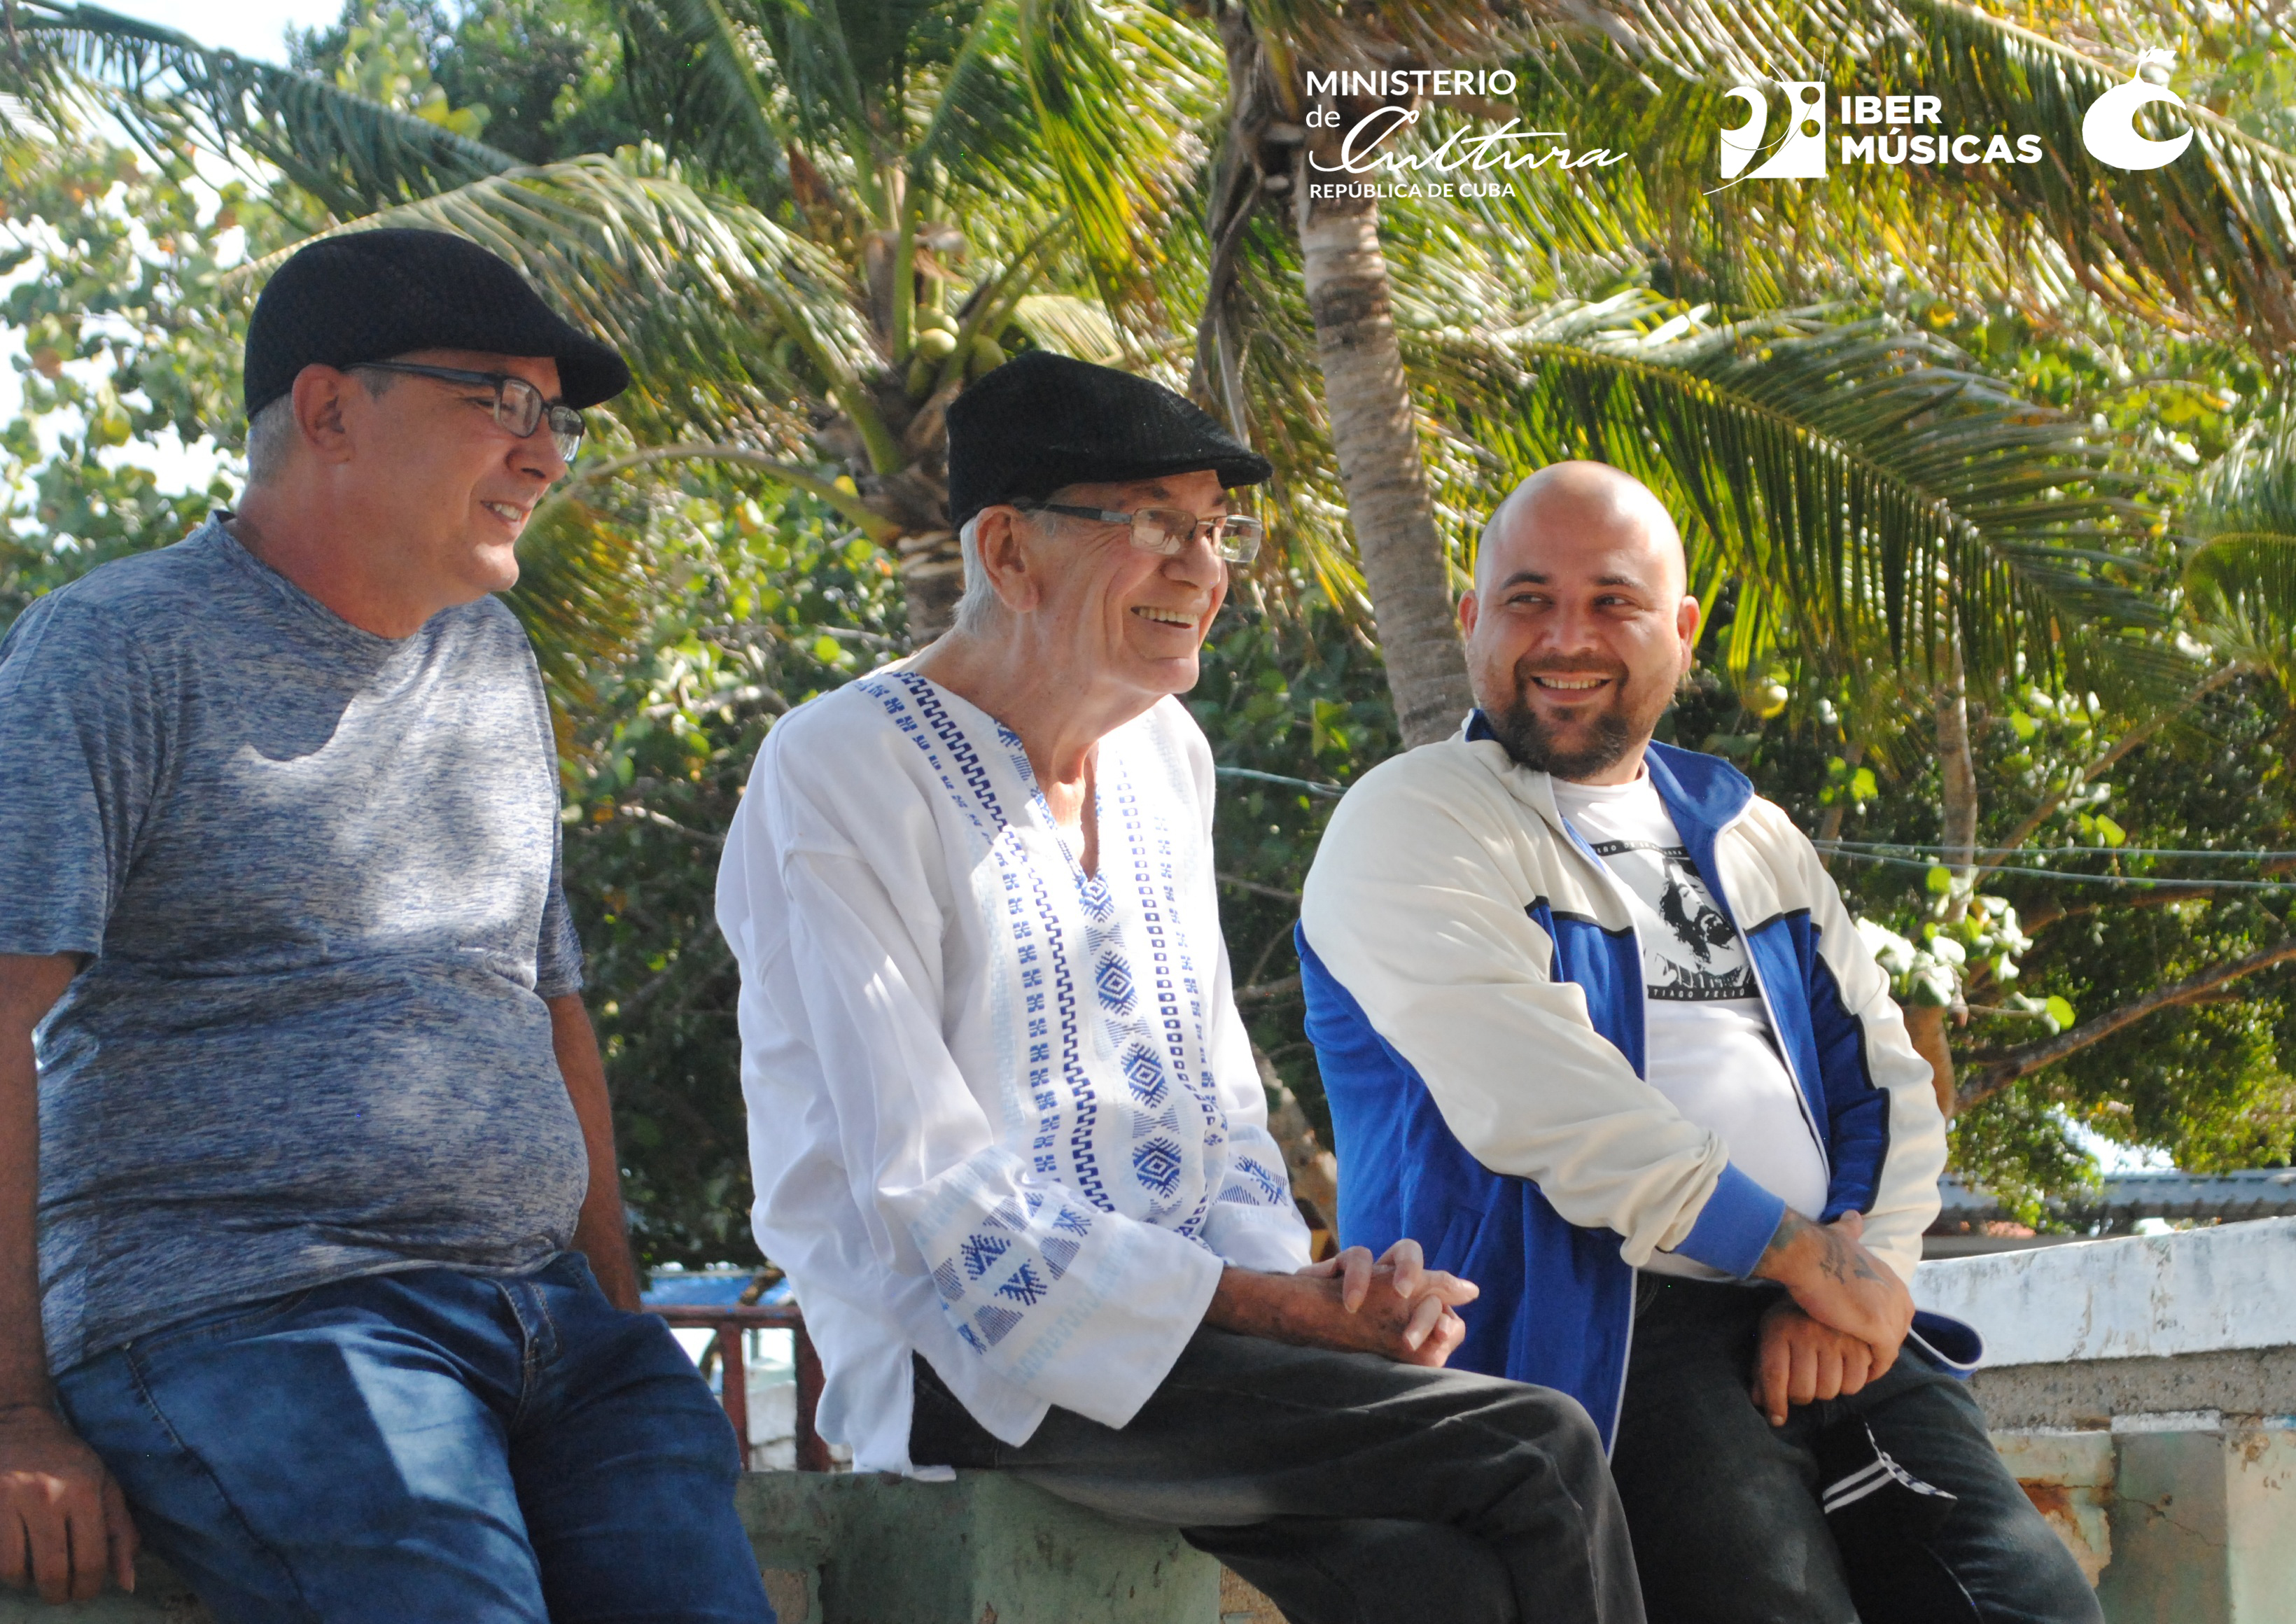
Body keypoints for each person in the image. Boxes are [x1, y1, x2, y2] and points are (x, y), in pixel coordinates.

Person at [716, 352, 1645, 1624]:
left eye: (1217, 531)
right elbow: (926, 1196)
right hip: (968, 1354)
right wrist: (1280, 1309)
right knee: (1537, 1447)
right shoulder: (839, 768)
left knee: (1447, 1583)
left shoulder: (1165, 753)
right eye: (1156, 526)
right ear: (1007, 550)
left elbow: (1220, 1117)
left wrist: (1319, 1308)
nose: (1204, 571)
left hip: (1191, 1351)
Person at [0, 230, 774, 1623]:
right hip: (253, 1319)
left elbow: (544, 1003)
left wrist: (616, 1311)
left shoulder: (489, 655)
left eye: (558, 420)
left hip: (547, 1327)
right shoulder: (113, 646)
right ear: (328, 410)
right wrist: (13, 1415)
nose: (544, 455)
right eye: (500, 401)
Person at [1296, 461, 2102, 1624]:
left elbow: (1885, 1080)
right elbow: (1548, 1098)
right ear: (1471, 622)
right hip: (1599, 1333)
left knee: (2027, 1607)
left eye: (1612, 602)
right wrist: (1801, 1259)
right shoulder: (1416, 815)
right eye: (1528, 599)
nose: (1566, 636)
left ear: (1679, 633)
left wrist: (1852, 1278)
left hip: (1825, 1311)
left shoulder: (1746, 829)